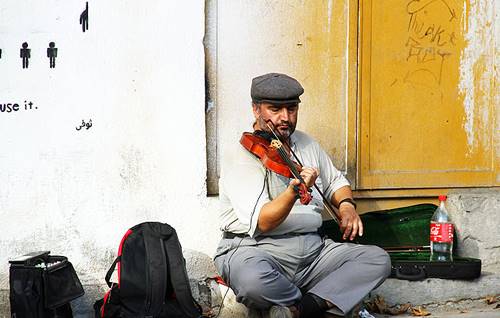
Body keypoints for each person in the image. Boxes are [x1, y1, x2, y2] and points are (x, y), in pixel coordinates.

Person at [214, 73, 391, 318]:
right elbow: (264, 221)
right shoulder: (242, 156)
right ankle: (321, 302)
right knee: (253, 280)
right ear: (256, 109)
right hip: (257, 250)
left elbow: (336, 182)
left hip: (312, 252)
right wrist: (293, 191)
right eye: (275, 110)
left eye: (292, 109)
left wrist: (347, 206)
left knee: (377, 260)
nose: (285, 118)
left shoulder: (306, 143)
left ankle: (297, 310)